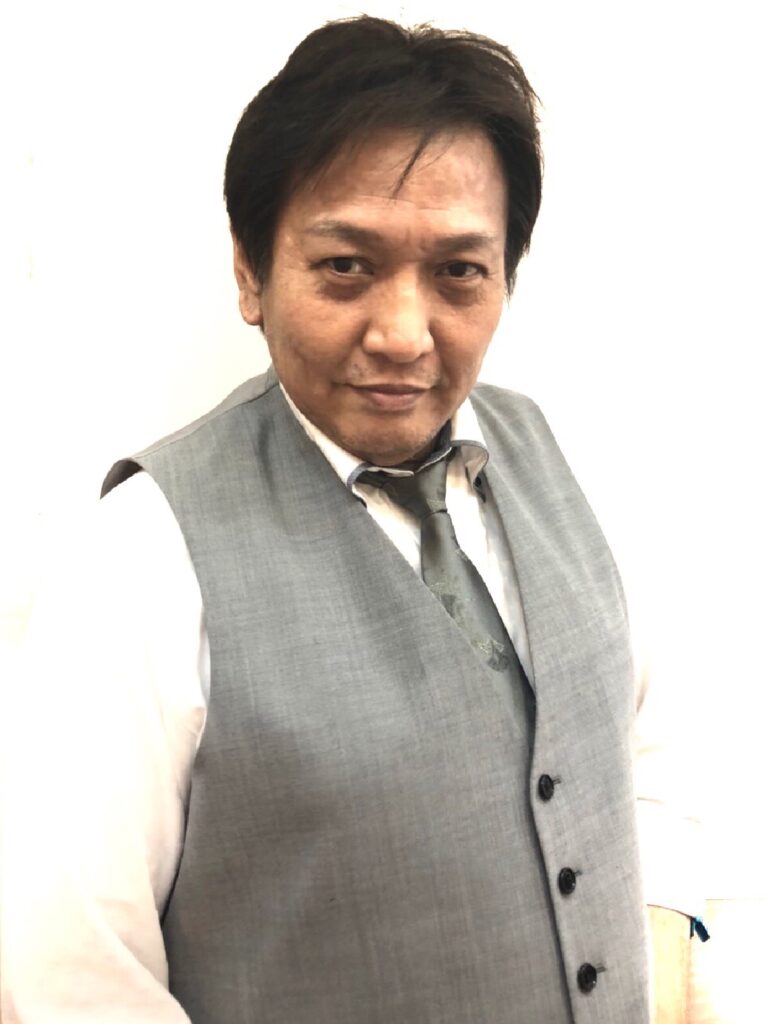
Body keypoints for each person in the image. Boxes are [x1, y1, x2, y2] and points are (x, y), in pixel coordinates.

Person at [1, 15, 704, 1024]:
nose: (403, 334)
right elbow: (71, 972)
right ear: (250, 271)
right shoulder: (143, 556)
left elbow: (639, 729)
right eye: (346, 266)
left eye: (458, 271)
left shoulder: (561, 451)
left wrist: (666, 937)